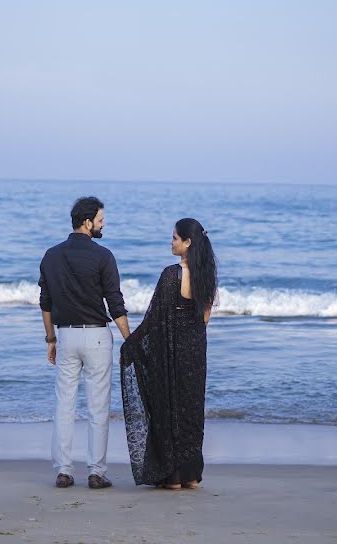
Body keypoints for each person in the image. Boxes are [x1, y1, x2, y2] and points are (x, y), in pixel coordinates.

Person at [39, 196, 131, 489]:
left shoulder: (51, 255)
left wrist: (50, 339)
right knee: (97, 407)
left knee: (64, 405)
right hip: (97, 337)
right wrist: (130, 339)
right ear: (87, 221)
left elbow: (46, 302)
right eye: (101, 220)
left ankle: (64, 471)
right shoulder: (103, 256)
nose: (104, 225)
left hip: (65, 335)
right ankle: (96, 472)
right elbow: (115, 304)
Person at [120, 218, 217, 489]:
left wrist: (131, 343)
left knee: (167, 406)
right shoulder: (206, 276)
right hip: (196, 353)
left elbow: (153, 320)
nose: (171, 242)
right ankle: (191, 475)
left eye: (175, 238)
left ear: (187, 243)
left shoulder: (170, 275)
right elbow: (204, 319)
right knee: (191, 409)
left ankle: (172, 477)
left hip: (171, 353)